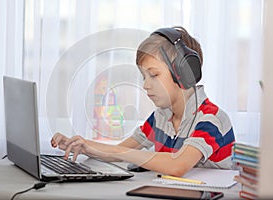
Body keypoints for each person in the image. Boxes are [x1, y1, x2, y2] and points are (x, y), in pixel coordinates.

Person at [51, 26, 235, 177]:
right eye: (144, 77)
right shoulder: (161, 118)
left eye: (154, 75)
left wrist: (119, 154)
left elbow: (177, 165)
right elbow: (119, 151)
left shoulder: (211, 119)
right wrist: (83, 146)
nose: (146, 85)